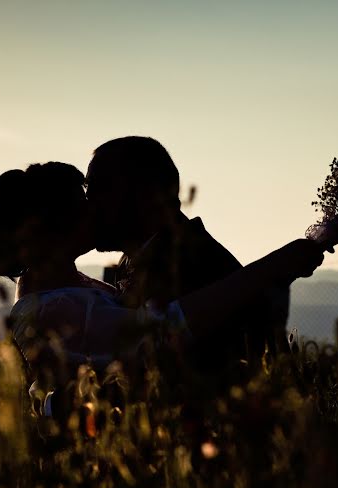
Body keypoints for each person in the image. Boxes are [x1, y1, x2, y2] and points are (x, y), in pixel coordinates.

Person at [0, 161, 325, 390]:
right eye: (82, 205)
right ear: (52, 227)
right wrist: (271, 267)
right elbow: (161, 331)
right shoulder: (49, 309)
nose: (94, 211)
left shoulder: (68, 285)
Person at [85, 136, 291, 373]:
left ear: (145, 194)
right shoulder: (142, 257)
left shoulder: (193, 265)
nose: (89, 202)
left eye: (99, 188)